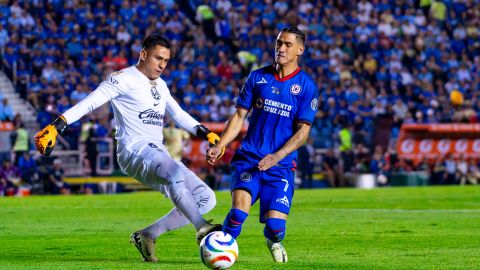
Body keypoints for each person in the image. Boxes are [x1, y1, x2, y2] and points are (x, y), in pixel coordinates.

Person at [33, 33, 223, 262]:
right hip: (134, 151)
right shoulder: (123, 78)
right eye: (158, 58)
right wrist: (57, 125)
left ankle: (148, 235)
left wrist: (208, 134)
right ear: (143, 54)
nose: (162, 65)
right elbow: (91, 102)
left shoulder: (160, 85)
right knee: (174, 173)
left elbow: (179, 115)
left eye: (166, 61)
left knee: (206, 198)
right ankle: (202, 228)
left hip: (157, 153)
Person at [207, 26, 319, 263]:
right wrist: (221, 144)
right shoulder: (257, 77)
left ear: (300, 49)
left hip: (280, 167)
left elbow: (303, 133)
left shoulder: (306, 87)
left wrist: (276, 157)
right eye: (279, 43)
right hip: (249, 159)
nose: (281, 48)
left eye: (288, 44)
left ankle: (273, 240)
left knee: (276, 227)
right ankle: (220, 253)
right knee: (238, 213)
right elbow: (239, 117)